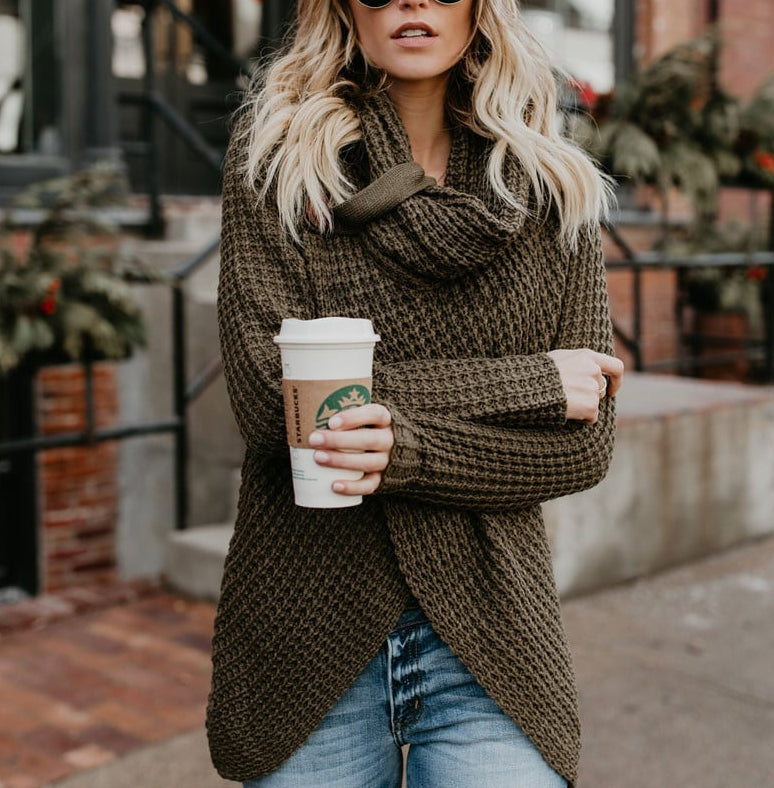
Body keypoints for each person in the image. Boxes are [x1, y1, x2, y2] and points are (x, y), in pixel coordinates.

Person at [207, 0, 625, 786]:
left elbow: (583, 444)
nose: (410, 0)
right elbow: (274, 403)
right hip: (308, 630)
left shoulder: (548, 183)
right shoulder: (280, 158)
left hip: (493, 633)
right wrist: (528, 382)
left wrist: (393, 441)